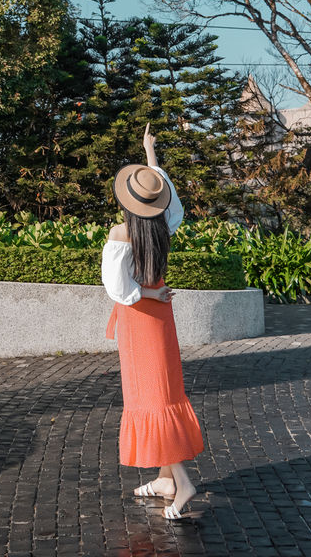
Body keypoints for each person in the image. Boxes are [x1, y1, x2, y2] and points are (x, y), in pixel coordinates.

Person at [101, 123, 204, 520]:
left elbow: (118, 288)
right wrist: (151, 154)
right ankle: (164, 479)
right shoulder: (163, 225)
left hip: (141, 318)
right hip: (162, 315)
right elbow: (169, 200)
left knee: (149, 399)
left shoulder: (121, 232)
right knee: (165, 394)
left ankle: (183, 480)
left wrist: (146, 294)